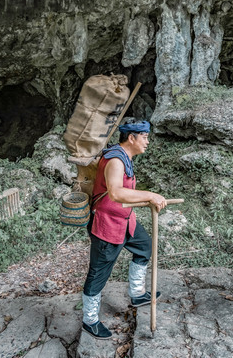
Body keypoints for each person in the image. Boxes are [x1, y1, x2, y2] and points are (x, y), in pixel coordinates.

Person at [81, 120, 167, 339]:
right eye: (144, 137)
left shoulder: (124, 156)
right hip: (107, 225)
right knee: (99, 273)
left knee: (144, 246)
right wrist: (150, 195)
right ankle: (89, 320)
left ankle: (137, 293)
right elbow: (116, 193)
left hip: (126, 220)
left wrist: (146, 200)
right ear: (132, 138)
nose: (147, 141)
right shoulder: (116, 160)